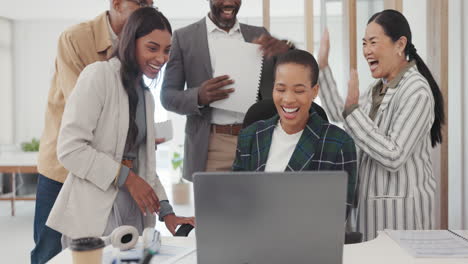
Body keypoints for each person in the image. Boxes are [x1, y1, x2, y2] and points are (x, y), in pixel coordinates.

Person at [45, 7, 194, 243]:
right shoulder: (98, 75)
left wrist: (168, 213)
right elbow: (71, 149)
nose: (161, 58)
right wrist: (128, 178)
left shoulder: (146, 96)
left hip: (133, 212)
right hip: (94, 210)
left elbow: (145, 164)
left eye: (167, 51)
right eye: (152, 48)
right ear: (130, 42)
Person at [32, 1, 154, 263]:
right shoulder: (76, 39)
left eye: (152, 3)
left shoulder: (140, 46)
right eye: (141, 2)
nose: (148, 7)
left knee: (102, 253)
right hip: (64, 169)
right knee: (50, 252)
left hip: (110, 172)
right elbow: (85, 111)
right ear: (117, 3)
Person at [317, 9, 445, 240]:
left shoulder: (416, 90)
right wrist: (323, 66)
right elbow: (342, 112)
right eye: (364, 43)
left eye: (373, 42)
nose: (366, 51)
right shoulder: (379, 88)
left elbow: (393, 154)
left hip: (402, 214)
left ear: (400, 44)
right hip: (372, 210)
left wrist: (352, 111)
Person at [160, 0, 293, 181]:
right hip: (212, 146)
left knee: (258, 207)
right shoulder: (184, 38)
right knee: (213, 209)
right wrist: (198, 96)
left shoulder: (259, 34)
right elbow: (167, 96)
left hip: (256, 142)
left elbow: (287, 78)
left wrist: (287, 50)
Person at [232, 49, 358, 221]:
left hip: (307, 243)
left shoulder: (339, 144)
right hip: (252, 239)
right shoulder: (250, 136)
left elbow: (336, 216)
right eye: (280, 89)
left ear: (314, 91)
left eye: (299, 91)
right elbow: (236, 201)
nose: (288, 99)